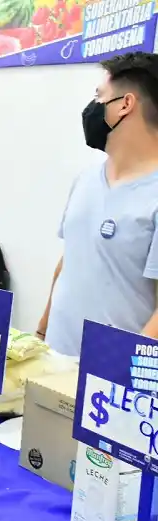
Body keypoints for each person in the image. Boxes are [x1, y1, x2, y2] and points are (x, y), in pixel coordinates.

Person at [38, 52, 158, 358]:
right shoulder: (86, 179)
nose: (92, 107)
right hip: (54, 363)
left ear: (125, 104)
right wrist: (40, 332)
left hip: (110, 382)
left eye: (99, 96)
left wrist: (123, 371)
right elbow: (69, 261)